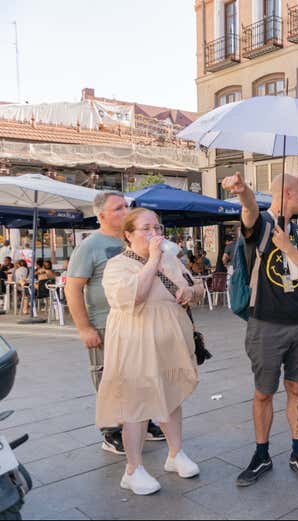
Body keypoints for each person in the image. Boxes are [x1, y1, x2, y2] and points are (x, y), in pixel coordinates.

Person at [221, 172, 298, 487]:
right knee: (263, 392)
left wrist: (289, 248)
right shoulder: (262, 225)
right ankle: (262, 453)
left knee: (297, 389)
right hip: (265, 323)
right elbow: (249, 211)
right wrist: (243, 192)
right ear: (287, 193)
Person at [96, 209, 203, 496]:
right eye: (146, 228)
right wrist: (154, 259)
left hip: (170, 345)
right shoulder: (117, 266)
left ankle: (175, 454)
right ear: (128, 235)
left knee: (170, 397)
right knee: (137, 405)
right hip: (135, 346)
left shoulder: (171, 259)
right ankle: (133, 470)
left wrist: (190, 293)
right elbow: (136, 295)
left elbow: (197, 286)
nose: (155, 233)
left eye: (157, 227)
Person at [65, 191, 166, 456]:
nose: (125, 211)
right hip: (105, 324)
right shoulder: (89, 246)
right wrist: (84, 328)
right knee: (109, 378)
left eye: (126, 206)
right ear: (101, 216)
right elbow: (73, 289)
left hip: (138, 322)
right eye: (118, 208)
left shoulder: (133, 239)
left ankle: (142, 420)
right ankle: (111, 431)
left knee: (139, 375)